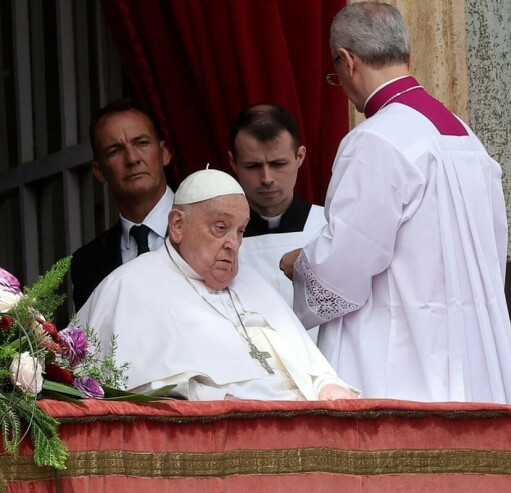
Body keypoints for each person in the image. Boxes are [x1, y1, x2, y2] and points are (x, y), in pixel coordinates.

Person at [279, 1, 511, 404]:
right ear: (406, 56)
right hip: (470, 350)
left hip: (402, 356)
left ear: (346, 61)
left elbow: (345, 263)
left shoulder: (375, 140)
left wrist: (300, 263)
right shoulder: (467, 139)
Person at [76, 169, 358, 401]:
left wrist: (327, 386)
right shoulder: (129, 286)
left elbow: (312, 368)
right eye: (220, 228)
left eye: (240, 231)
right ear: (177, 226)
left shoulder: (250, 281)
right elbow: (151, 393)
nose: (233, 243)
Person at [70, 99, 174, 309]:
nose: (132, 158)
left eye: (142, 143)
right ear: (99, 171)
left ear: (164, 153)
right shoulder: (87, 262)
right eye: (115, 151)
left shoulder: (215, 224)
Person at [228, 104, 325, 307]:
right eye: (252, 166)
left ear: (299, 157)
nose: (266, 178)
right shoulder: (221, 240)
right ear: (233, 163)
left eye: (278, 164)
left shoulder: (329, 228)